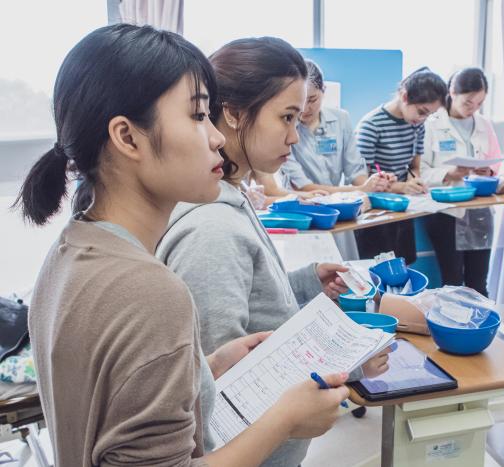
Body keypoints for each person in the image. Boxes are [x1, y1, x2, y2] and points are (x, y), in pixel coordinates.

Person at [15, 25, 348, 467]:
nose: (215, 138)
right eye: (197, 116)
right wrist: (284, 419)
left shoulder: (71, 249)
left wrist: (203, 370)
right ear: (127, 137)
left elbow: (113, 406)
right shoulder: (151, 291)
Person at [156, 37, 389, 466]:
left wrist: (304, 283)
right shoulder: (211, 228)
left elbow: (248, 306)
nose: (294, 136)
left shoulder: (232, 197)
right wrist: (350, 364)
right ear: (234, 113)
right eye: (285, 118)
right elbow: (228, 387)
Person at [421, 68, 502, 294]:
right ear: (452, 92)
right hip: (446, 212)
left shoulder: (484, 124)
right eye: (468, 102)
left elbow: (495, 161)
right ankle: (453, 327)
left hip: (479, 209)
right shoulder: (432, 123)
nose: (473, 109)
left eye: (479, 104)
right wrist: (449, 174)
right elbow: (420, 171)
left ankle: (481, 326)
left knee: (479, 283)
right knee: (453, 281)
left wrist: (488, 171)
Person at [354, 67, 447, 264]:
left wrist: (415, 180)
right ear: (405, 96)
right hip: (375, 213)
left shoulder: (417, 125)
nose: (422, 119)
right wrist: (402, 187)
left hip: (403, 209)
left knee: (405, 268)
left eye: (428, 115)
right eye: (421, 112)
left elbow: (414, 166)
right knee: (375, 271)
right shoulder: (371, 125)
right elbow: (363, 180)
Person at [280, 60, 392, 194]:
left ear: (323, 90)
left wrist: (373, 184)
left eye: (312, 100)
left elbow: (355, 171)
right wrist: (360, 189)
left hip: (337, 202)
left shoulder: (341, 119)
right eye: (301, 101)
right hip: (301, 204)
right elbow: (303, 186)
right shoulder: (286, 128)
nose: (305, 109)